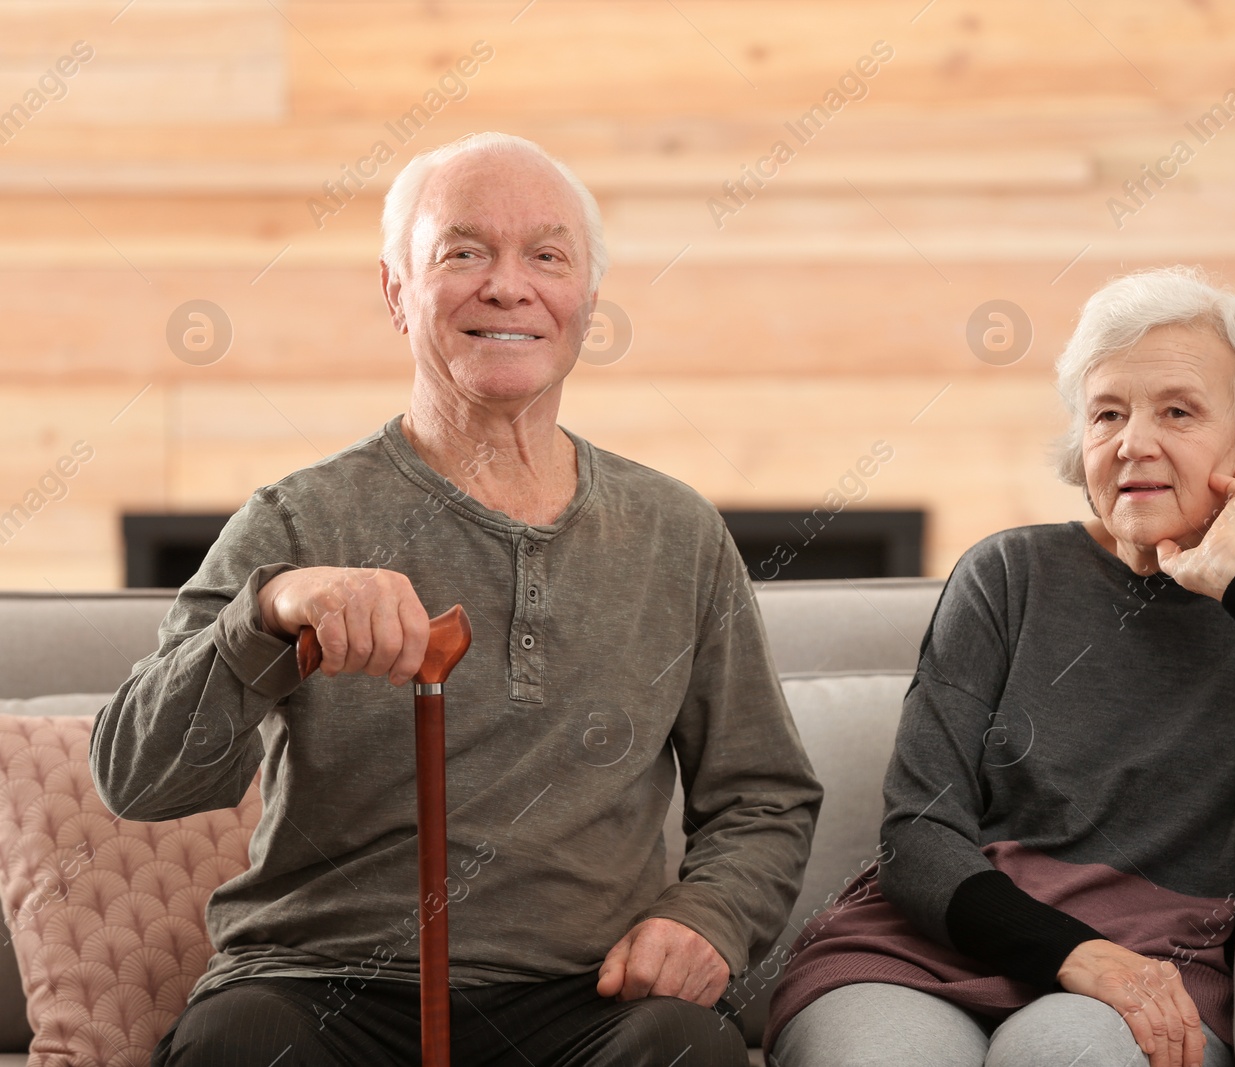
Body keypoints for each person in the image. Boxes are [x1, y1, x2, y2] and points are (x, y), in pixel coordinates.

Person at [90, 131, 822, 1067]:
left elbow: (763, 794)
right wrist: (267, 614)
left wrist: (710, 917)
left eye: (546, 257)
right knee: (238, 1049)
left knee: (690, 1054)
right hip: (322, 984)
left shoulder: (677, 534)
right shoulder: (296, 521)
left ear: (586, 303)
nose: (508, 286)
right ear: (397, 291)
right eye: (463, 252)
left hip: (586, 994)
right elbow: (139, 777)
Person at [763, 266, 1235, 1067]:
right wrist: (1072, 951)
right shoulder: (1009, 574)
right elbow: (919, 837)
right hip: (926, 952)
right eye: (1107, 412)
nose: (1133, 442)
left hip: (1157, 970)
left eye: (1177, 410)